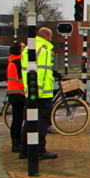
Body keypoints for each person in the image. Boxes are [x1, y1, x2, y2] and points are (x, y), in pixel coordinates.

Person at [19, 27, 57, 159]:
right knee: (42, 122)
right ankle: (40, 150)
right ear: (46, 36)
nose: (51, 40)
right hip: (42, 94)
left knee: (29, 121)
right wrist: (38, 91)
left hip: (29, 91)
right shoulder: (44, 49)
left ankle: (24, 149)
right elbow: (40, 71)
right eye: (51, 37)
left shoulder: (28, 49)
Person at [6, 42, 25, 153]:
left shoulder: (12, 61)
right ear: (18, 50)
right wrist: (26, 91)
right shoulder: (18, 62)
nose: (24, 48)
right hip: (19, 93)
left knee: (16, 119)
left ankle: (15, 143)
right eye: (22, 47)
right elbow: (20, 79)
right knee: (18, 120)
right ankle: (17, 144)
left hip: (13, 92)